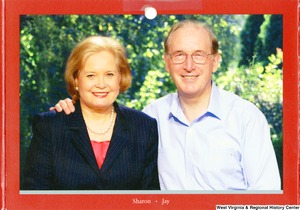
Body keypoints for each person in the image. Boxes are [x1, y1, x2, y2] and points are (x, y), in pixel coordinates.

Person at [51, 20, 281, 190]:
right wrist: (72, 109)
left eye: (199, 55)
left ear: (215, 61)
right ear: (167, 63)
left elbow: (267, 198)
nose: (189, 65)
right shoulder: (149, 119)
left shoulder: (246, 118)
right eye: (179, 55)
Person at [23, 36, 160, 190]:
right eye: (91, 75)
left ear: (120, 78)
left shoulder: (144, 127)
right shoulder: (50, 127)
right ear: (76, 79)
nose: (101, 84)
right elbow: (34, 198)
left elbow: (150, 200)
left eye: (109, 74)